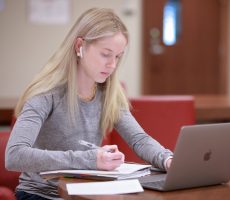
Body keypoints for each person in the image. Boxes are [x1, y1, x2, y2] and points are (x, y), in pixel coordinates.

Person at [5, 8, 173, 200]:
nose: (112, 65)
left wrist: (167, 159)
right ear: (79, 46)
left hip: (84, 194)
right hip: (40, 194)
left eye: (117, 56)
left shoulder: (109, 93)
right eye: (105, 54)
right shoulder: (46, 94)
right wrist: (91, 159)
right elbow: (15, 155)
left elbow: (139, 139)